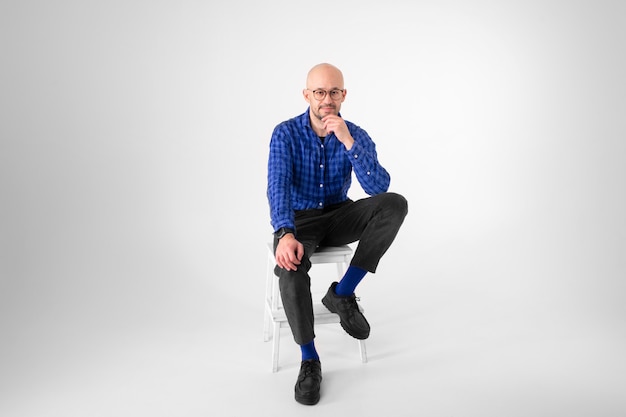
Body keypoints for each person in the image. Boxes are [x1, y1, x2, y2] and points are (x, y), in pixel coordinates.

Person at [266, 63, 408, 405]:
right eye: (319, 92)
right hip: (300, 220)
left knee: (394, 204)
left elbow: (379, 187)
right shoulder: (285, 133)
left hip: (339, 212)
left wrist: (347, 141)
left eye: (333, 92)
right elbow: (277, 187)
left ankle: (343, 294)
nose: (326, 99)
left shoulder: (354, 132)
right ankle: (309, 359)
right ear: (307, 95)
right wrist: (285, 232)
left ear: (343, 95)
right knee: (290, 268)